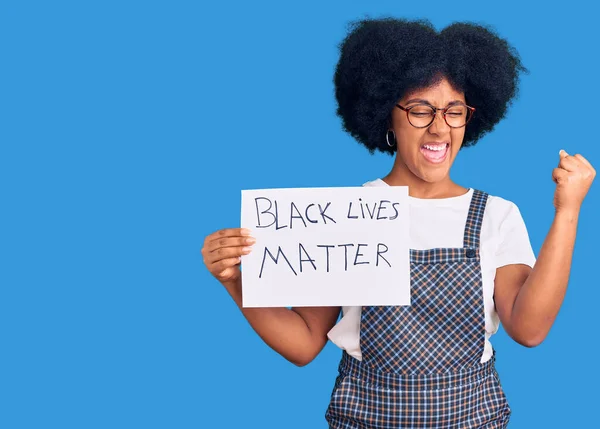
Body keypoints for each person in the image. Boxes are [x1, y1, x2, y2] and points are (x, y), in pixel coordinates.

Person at [201, 17, 595, 428]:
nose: (440, 127)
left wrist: (567, 212)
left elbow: (529, 329)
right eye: (420, 110)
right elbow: (302, 344)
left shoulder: (497, 215)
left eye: (454, 111)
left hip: (472, 419)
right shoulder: (348, 215)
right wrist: (235, 280)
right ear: (386, 114)